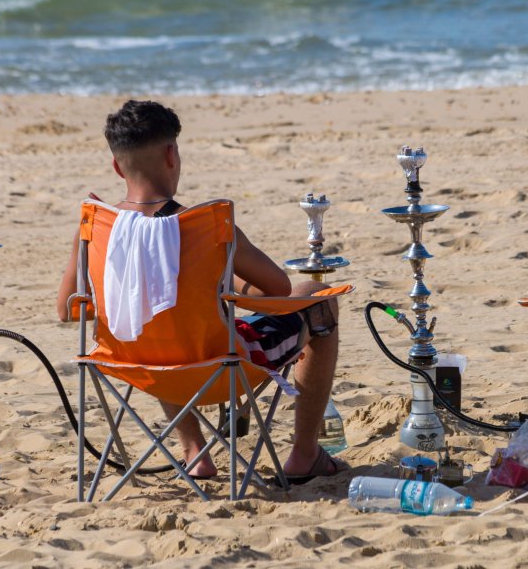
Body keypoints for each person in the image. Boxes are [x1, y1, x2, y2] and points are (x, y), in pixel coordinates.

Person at [56, 99, 345, 483]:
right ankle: (305, 454)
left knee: (152, 318)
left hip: (138, 366)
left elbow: (69, 311)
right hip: (221, 370)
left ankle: (194, 452)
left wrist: (131, 284)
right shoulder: (206, 228)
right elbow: (278, 293)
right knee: (317, 296)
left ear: (116, 166)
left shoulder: (95, 227)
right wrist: (220, 279)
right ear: (172, 155)